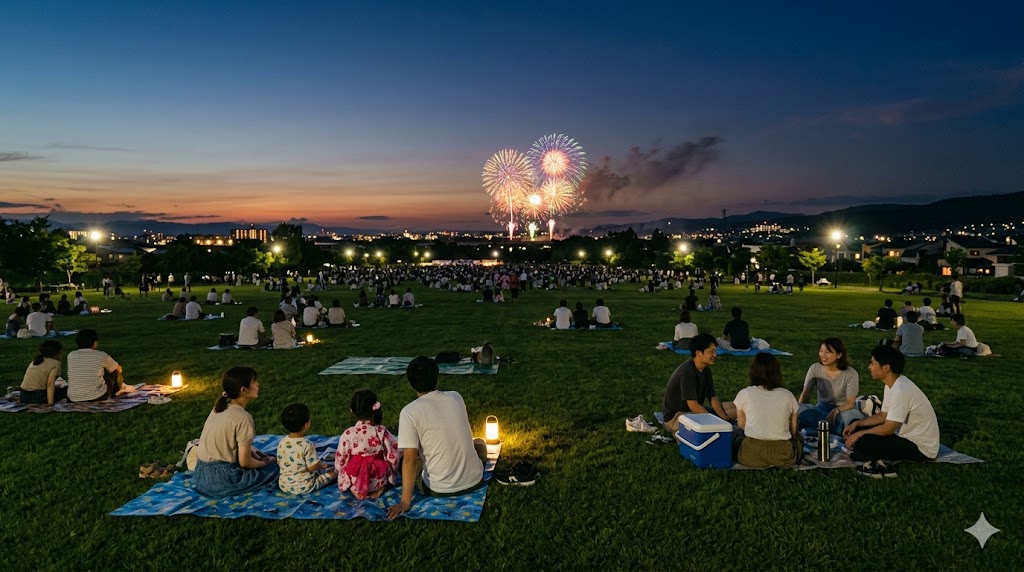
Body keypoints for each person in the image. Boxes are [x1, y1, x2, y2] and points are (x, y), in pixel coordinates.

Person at [387, 357, 487, 519]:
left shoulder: (409, 412)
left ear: (410, 382)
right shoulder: (456, 397)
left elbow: (409, 461)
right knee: (479, 442)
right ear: (437, 376)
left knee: (405, 457)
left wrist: (405, 502)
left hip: (439, 489)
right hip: (476, 480)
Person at [843, 345, 939, 477]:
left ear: (886, 368)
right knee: (856, 424)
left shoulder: (901, 389)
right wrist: (858, 425)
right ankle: (861, 447)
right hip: (902, 436)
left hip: (919, 448)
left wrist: (859, 434)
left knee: (865, 441)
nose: (869, 367)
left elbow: (887, 429)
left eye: (873, 363)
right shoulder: (891, 385)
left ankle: (863, 451)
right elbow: (883, 415)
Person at [193, 367, 278, 497]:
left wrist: (257, 454)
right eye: (254, 382)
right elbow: (245, 462)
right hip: (224, 480)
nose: (258, 385)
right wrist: (263, 463)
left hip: (200, 476)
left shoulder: (219, 408)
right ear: (243, 390)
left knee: (271, 457)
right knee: (281, 466)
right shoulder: (243, 417)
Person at [732, 353, 801, 468]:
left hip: (751, 455)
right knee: (799, 439)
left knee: (733, 436)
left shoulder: (745, 393)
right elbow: (793, 431)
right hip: (783, 456)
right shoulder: (788, 395)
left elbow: (741, 425)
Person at [661, 333, 737, 434]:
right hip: (677, 416)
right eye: (711, 351)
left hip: (694, 413)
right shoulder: (687, 372)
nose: (715, 355)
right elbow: (693, 405)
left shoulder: (706, 370)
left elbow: (712, 397)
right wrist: (714, 422)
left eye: (715, 351)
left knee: (733, 408)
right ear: (698, 353)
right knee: (698, 429)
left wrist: (724, 418)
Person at [336, 389, 401, 499]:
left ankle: (356, 489)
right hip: (378, 476)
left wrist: (341, 472)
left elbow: (340, 459)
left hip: (356, 477)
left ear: (352, 410)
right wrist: (392, 471)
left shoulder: (348, 433)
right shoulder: (381, 431)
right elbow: (393, 455)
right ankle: (379, 488)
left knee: (350, 471)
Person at [797, 338, 863, 434]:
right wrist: (798, 410)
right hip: (821, 408)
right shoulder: (815, 368)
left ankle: (823, 427)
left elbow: (850, 403)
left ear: (839, 355)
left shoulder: (851, 374)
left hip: (842, 410)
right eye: (821, 351)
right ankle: (834, 429)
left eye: (827, 352)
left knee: (851, 417)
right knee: (797, 410)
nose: (823, 355)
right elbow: (805, 395)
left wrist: (836, 411)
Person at [277, 403, 337, 494]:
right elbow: (312, 467)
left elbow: (280, 461)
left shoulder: (282, 442)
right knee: (334, 473)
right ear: (306, 424)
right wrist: (320, 465)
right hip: (305, 485)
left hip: (284, 485)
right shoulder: (307, 444)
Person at [66, 329, 133, 402]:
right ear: (95, 343)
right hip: (97, 396)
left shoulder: (71, 355)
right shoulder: (101, 355)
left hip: (73, 397)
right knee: (113, 371)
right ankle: (118, 389)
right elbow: (118, 369)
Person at [19, 340, 67, 405]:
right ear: (58, 352)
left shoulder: (35, 361)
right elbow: (50, 383)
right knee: (66, 390)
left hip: (23, 396)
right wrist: (50, 402)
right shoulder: (55, 363)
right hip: (38, 397)